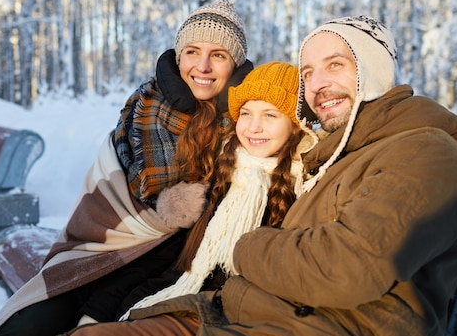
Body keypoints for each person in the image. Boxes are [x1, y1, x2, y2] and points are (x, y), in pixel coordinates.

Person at [50, 15, 457, 336]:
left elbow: (346, 267)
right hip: (267, 323)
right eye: (308, 73)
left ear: (373, 70)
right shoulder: (339, 155)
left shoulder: (423, 151)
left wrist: (246, 246)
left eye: (336, 65)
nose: (319, 84)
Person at [0, 0, 253, 336]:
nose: (202, 67)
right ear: (177, 55)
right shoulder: (144, 109)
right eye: (192, 51)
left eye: (218, 55)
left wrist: (97, 312)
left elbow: (192, 242)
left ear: (235, 65)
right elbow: (107, 200)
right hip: (96, 254)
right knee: (22, 333)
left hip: (158, 278)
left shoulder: (246, 129)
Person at [119, 61, 315, 319]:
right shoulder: (226, 168)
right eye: (246, 113)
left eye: (270, 115)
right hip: (186, 294)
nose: (254, 127)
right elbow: (180, 262)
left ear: (295, 124)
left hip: (230, 317)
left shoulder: (306, 186)